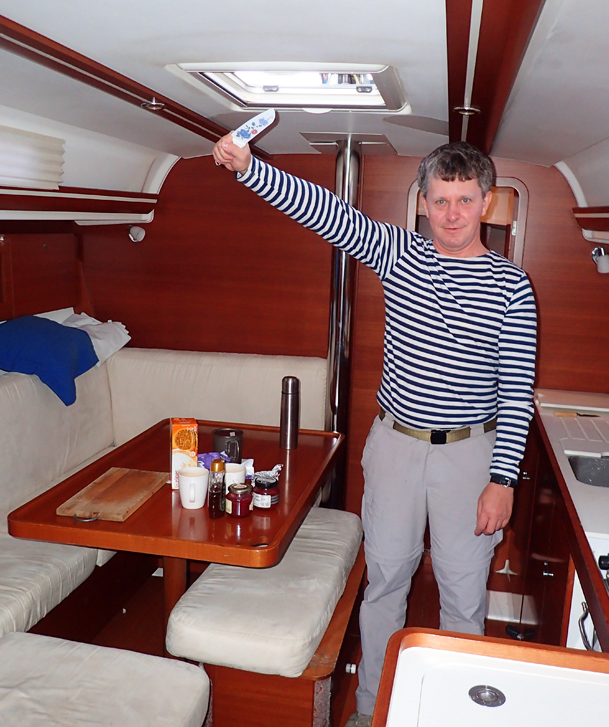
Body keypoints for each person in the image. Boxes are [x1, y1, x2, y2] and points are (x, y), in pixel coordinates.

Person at [213, 135, 537, 727]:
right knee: (385, 581)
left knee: (463, 594)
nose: (453, 215)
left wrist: (503, 480)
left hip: (471, 455)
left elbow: (517, 391)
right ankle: (372, 711)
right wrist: (252, 168)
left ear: (487, 202)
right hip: (394, 447)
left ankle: (451, 716)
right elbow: (326, 212)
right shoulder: (400, 253)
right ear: (423, 202)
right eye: (440, 201)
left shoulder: (513, 285)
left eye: (465, 200)